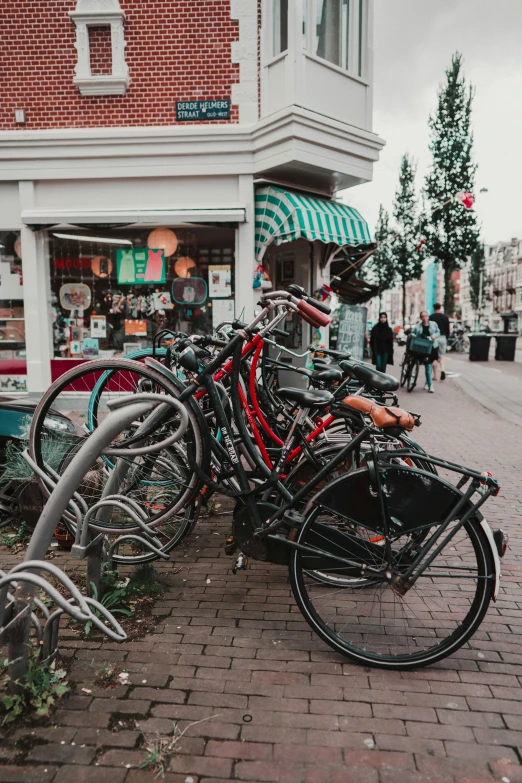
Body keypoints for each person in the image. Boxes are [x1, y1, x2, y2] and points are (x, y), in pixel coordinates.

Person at [412, 311, 440, 392]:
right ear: (421, 318)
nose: (424, 318)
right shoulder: (418, 327)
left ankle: (428, 383)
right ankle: (430, 384)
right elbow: (412, 334)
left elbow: (438, 332)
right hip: (423, 349)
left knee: (429, 365)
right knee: (428, 365)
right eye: (422, 316)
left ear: (428, 317)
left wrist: (434, 336)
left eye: (426, 316)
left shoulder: (433, 324)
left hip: (433, 347)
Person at [429, 303, 450, 381]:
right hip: (443, 338)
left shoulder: (431, 317)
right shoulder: (445, 317)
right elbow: (448, 329)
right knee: (442, 356)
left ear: (434, 308)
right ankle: (442, 370)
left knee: (434, 357)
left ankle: (435, 375)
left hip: (434, 338)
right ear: (440, 308)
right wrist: (446, 338)